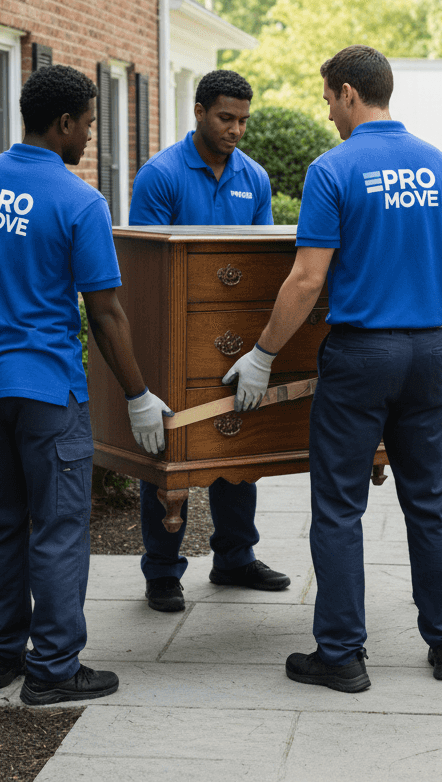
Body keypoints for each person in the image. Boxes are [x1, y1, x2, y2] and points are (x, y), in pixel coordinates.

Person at [222, 46, 442, 692]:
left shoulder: (333, 170)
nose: (327, 111)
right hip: (424, 350)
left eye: (328, 98)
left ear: (349, 94)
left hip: (361, 353)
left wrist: (263, 354)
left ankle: (340, 654)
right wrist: (441, 350)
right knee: (429, 501)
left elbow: (307, 280)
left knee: (338, 507)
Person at [0, 64, 170, 705]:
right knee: (59, 528)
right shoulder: (79, 201)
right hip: (47, 389)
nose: (89, 138)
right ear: (65, 122)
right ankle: (53, 669)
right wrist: (138, 395)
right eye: (89, 125)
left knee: (0, 523)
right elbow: (105, 311)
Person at [128, 68, 291, 612]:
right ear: (198, 112)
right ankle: (162, 572)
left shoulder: (255, 178)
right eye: (226, 118)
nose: (236, 130)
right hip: (176, 339)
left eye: (244, 119)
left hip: (236, 338)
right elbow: (147, 271)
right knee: (171, 451)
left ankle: (235, 558)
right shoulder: (161, 176)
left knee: (236, 443)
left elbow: (263, 260)